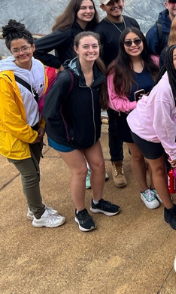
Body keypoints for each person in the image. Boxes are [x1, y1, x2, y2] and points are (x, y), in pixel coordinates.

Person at [42, 31, 122, 232]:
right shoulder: (66, 78)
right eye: (85, 46)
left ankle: (97, 202)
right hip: (65, 136)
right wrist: (69, 134)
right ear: (76, 49)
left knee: (99, 166)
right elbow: (49, 111)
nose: (91, 50)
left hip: (88, 132)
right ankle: (80, 211)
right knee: (80, 171)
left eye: (94, 46)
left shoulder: (98, 74)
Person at [0, 20, 64, 228]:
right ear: (10, 52)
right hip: (16, 136)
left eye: (25, 48)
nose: (21, 53)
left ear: (33, 47)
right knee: (30, 175)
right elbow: (10, 118)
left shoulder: (38, 67)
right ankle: (39, 215)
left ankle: (33, 206)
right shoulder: (6, 81)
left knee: (35, 171)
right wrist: (33, 136)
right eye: (16, 50)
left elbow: (41, 98)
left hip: (34, 128)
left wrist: (41, 125)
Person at [127, 43, 176, 230]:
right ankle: (169, 209)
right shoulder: (163, 91)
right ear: (169, 61)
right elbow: (163, 126)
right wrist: (172, 153)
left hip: (171, 128)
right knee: (158, 168)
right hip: (146, 131)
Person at [106, 27, 161, 209]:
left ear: (143, 42)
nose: (133, 45)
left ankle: (156, 186)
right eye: (128, 42)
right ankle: (145, 190)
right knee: (137, 156)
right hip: (130, 120)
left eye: (137, 41)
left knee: (155, 155)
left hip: (154, 119)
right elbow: (113, 100)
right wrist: (139, 105)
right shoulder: (116, 69)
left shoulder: (154, 61)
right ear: (123, 46)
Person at [96, 0, 141, 188]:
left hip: (135, 79)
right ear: (103, 7)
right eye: (110, 3)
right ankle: (117, 164)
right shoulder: (100, 30)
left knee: (139, 118)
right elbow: (97, 58)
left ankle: (137, 155)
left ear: (123, 1)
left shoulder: (131, 22)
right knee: (115, 125)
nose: (115, 5)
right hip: (114, 83)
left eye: (117, 1)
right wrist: (109, 80)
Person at [34, 0, 100, 69]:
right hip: (72, 77)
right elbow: (35, 48)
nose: (88, 11)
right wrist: (58, 64)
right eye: (83, 8)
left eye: (91, 8)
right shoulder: (67, 32)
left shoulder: (92, 29)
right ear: (75, 10)